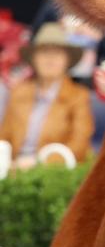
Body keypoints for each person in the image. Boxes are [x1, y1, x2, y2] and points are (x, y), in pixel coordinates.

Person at [0, 22, 94, 168]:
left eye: (57, 53)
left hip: (53, 173)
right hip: (13, 170)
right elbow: (4, 138)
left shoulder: (79, 96)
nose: (50, 58)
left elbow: (79, 146)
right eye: (44, 52)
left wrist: (38, 164)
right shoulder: (18, 92)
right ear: (34, 59)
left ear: (67, 60)